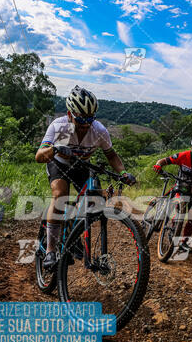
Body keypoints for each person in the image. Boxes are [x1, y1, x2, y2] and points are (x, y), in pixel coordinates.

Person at [35, 85, 135, 268]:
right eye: (80, 120)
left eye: (90, 119)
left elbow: (111, 155)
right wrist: (55, 149)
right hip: (59, 163)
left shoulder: (99, 131)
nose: (85, 125)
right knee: (60, 196)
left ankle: (73, 233)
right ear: (69, 114)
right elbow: (39, 156)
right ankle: (50, 250)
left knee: (96, 200)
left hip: (82, 165)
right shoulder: (60, 127)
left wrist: (123, 172)